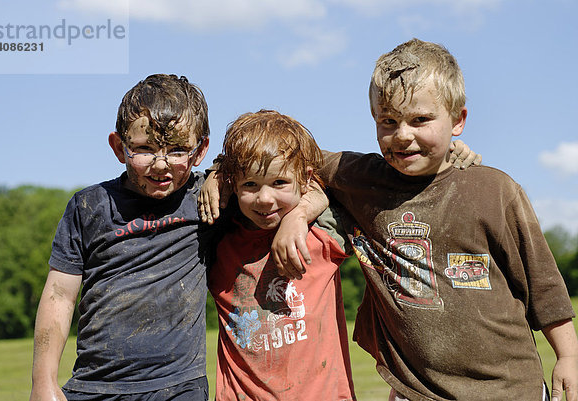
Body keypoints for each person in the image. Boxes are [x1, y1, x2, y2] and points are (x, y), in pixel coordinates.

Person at [316, 39, 578, 401]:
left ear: (458, 120)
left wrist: (568, 356)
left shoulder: (495, 190)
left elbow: (544, 286)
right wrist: (222, 172)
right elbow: (288, 152)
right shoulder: (361, 178)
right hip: (415, 392)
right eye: (388, 121)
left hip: (510, 390)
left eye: (421, 119)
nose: (403, 135)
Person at [29, 74, 213, 401]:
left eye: (177, 150)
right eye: (145, 148)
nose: (161, 164)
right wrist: (43, 382)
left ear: (200, 151)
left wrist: (298, 215)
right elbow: (59, 294)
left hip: (178, 389)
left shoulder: (208, 199)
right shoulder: (88, 207)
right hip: (92, 388)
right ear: (118, 147)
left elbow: (292, 177)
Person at [207, 110, 356, 400]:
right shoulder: (216, 238)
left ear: (306, 180)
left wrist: (299, 215)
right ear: (232, 184)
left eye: (279, 183)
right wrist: (215, 173)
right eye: (250, 184)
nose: (264, 198)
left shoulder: (326, 231)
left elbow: (383, 183)